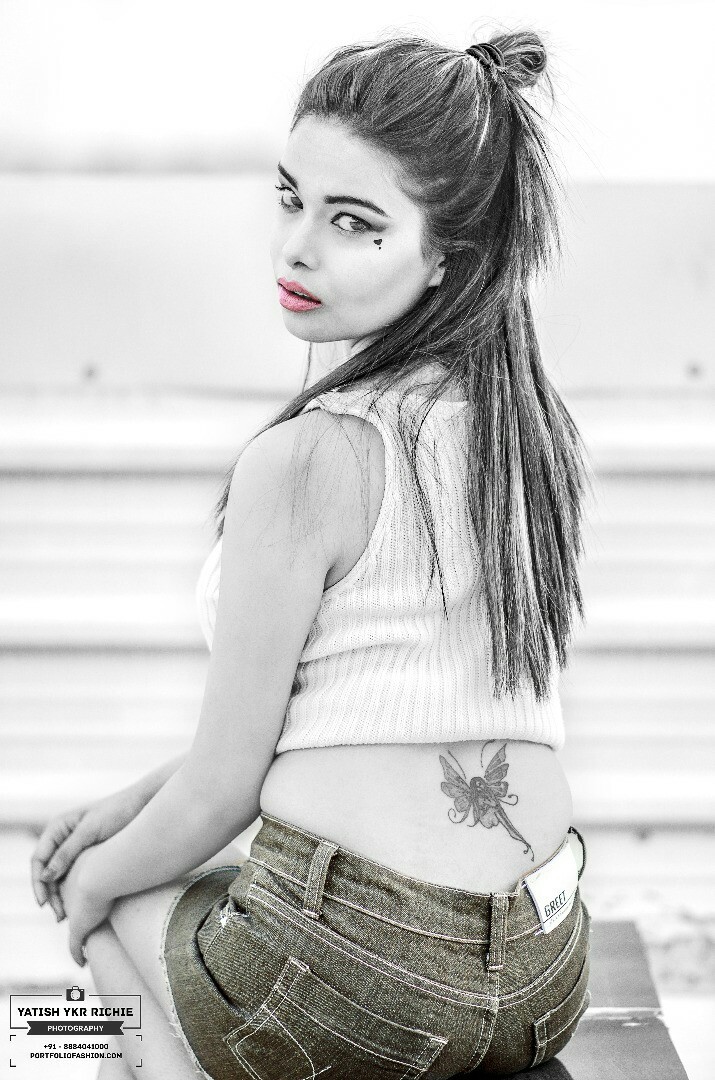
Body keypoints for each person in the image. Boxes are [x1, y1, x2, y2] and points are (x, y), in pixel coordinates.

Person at [30, 28, 594, 1080]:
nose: (295, 249)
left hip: (362, 974)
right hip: (542, 969)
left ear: (447, 257)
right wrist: (127, 808)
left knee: (103, 925)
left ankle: (81, 1050)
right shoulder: (525, 440)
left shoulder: (307, 459)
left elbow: (226, 788)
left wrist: (93, 879)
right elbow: (339, 721)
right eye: (290, 199)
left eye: (352, 223)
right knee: (168, 896)